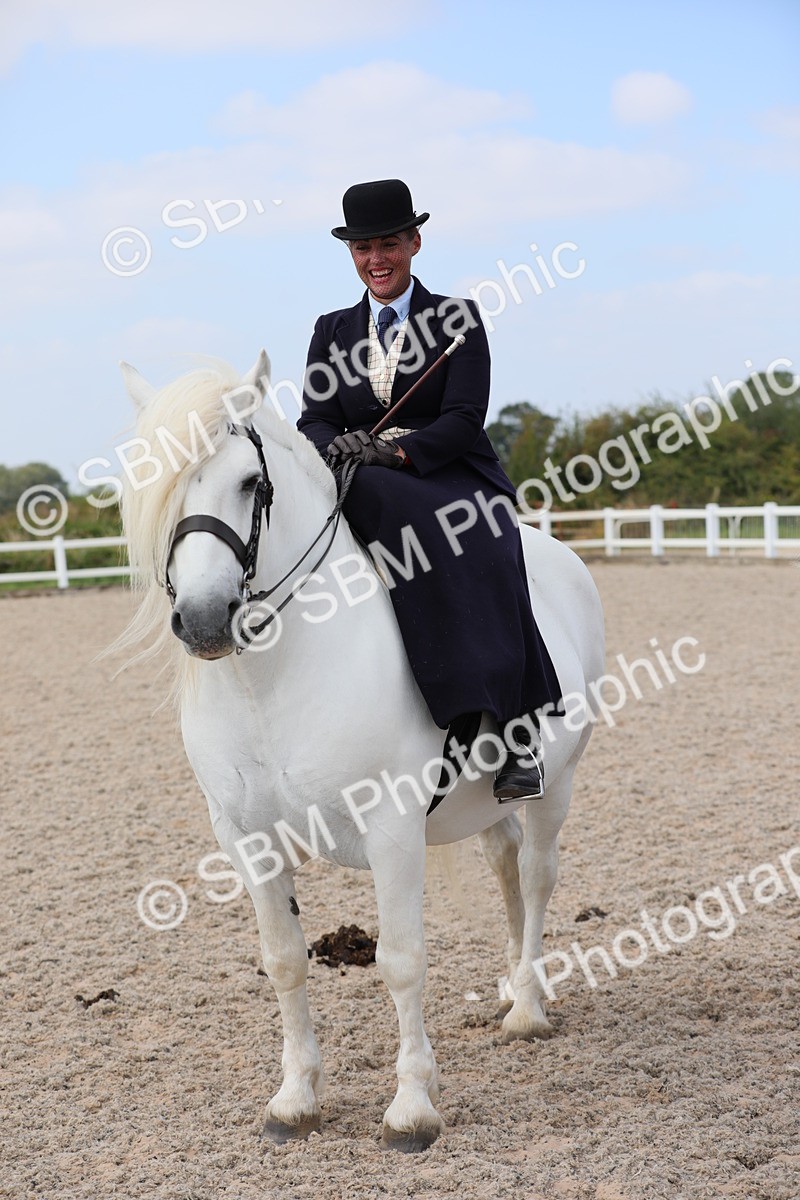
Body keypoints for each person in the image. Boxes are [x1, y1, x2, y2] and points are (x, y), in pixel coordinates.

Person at [297, 179, 562, 801]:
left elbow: (465, 419)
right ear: (352, 254)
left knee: (490, 544)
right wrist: (336, 446)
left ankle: (516, 730)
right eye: (363, 248)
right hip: (359, 477)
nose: (376, 259)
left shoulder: (457, 320)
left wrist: (395, 449)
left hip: (450, 476)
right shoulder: (330, 330)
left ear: (414, 243)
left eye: (388, 243)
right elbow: (314, 416)